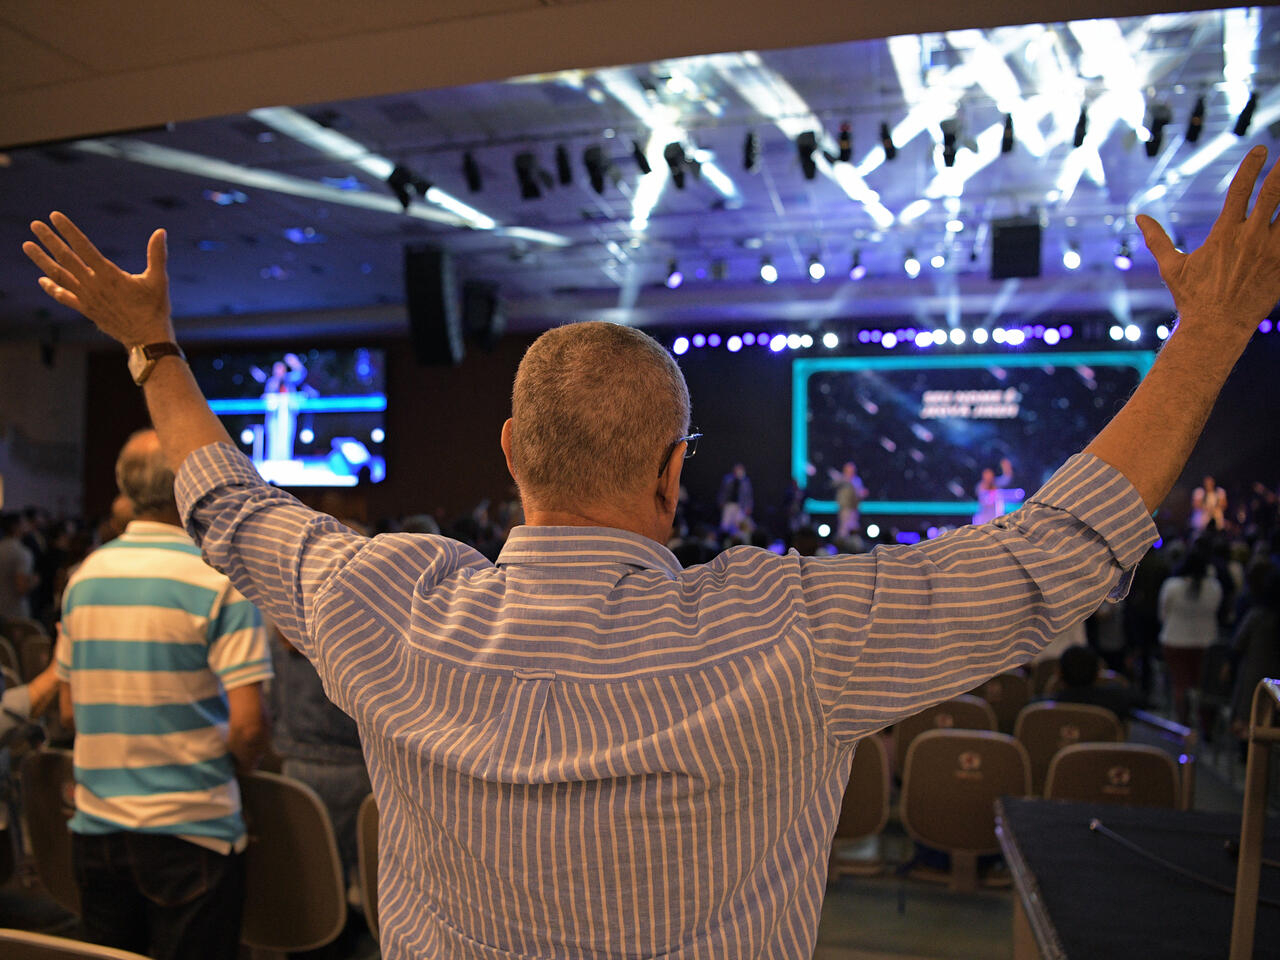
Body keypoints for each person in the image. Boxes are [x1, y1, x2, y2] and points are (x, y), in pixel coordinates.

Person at [23, 145, 1280, 960]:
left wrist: (156, 351)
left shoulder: (381, 601)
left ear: (513, 453)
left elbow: (227, 508)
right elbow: (1051, 555)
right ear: (679, 473)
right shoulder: (796, 630)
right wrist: (1211, 334)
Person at [53, 429, 272, 960]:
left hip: (97, 828)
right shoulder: (219, 579)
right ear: (189, 485)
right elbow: (248, 727)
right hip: (192, 833)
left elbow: (67, 711)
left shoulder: (83, 577)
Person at [1158, 548, 1223, 726]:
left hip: (1175, 640)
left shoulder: (1172, 585)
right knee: (1203, 687)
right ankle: (1205, 725)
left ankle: (1182, 725)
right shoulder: (1214, 587)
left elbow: (1163, 614)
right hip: (1206, 642)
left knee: (1180, 685)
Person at [0, 512, 39, 622]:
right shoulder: (21, 552)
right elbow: (21, 587)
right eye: (24, 522)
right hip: (15, 611)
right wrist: (34, 581)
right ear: (15, 527)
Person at [829, 461, 868, 539]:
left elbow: (859, 492)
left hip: (854, 508)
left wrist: (863, 493)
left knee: (854, 527)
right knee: (844, 528)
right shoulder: (842, 479)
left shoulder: (857, 480)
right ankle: (842, 545)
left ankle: (854, 546)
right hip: (844, 508)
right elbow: (833, 484)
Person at [973, 457, 1014, 525]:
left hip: (996, 519)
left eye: (990, 474)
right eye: (986, 474)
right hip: (983, 520)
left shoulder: (996, 483)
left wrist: (1006, 468)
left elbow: (1007, 479)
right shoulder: (980, 486)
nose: (988, 476)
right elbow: (984, 496)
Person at [717, 462, 753, 536]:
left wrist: (749, 506)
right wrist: (721, 502)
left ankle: (738, 539)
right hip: (729, 504)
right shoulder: (728, 479)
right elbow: (723, 492)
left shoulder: (746, 482)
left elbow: (748, 495)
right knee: (725, 524)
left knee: (740, 524)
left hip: (740, 505)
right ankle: (724, 538)